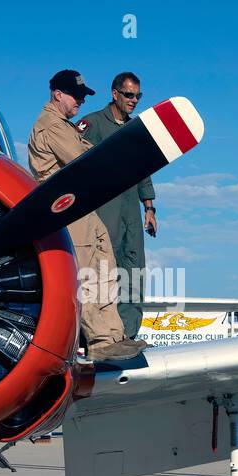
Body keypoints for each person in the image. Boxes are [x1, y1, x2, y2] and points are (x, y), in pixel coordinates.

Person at [27, 70, 145, 361]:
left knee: (105, 269)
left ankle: (115, 336)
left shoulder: (65, 126)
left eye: (82, 95)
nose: (80, 100)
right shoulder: (50, 125)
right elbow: (83, 161)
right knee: (88, 275)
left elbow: (90, 153)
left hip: (84, 207)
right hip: (66, 208)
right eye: (75, 95)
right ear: (58, 95)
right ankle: (99, 342)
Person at [80, 72, 157, 339]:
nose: (134, 100)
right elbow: (76, 168)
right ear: (114, 94)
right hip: (104, 210)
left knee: (134, 267)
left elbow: (144, 169)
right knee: (103, 269)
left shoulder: (136, 130)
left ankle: (129, 334)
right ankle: (102, 336)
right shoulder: (91, 124)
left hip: (131, 212)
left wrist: (149, 208)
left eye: (138, 96)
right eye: (129, 95)